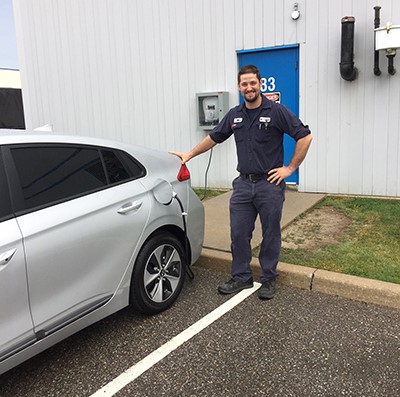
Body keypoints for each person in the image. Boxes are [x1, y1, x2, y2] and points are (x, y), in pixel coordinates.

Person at [170, 64, 312, 300]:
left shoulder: (276, 111)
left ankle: (268, 279)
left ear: (259, 84)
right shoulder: (235, 114)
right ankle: (241, 277)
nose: (249, 87)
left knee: (270, 234)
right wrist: (189, 155)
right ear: (239, 87)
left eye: (252, 83)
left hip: (269, 185)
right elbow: (214, 137)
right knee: (238, 234)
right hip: (243, 185)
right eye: (244, 84)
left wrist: (290, 168)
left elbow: (305, 136)